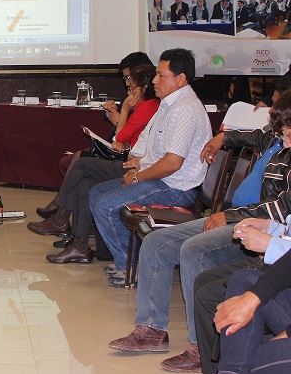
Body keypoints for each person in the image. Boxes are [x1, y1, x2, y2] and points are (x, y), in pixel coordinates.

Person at [108, 82, 291, 372]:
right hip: (238, 217)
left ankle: (198, 347)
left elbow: (282, 208)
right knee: (158, 243)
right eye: (282, 130)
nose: (283, 136)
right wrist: (221, 137)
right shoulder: (276, 140)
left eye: (287, 130)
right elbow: (254, 135)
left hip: (258, 229)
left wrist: (231, 216)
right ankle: (151, 329)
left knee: (194, 250)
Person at [89, 48, 213, 280]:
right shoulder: (170, 104)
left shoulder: (184, 109)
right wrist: (139, 163)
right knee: (97, 192)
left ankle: (130, 268)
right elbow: (157, 150)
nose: (154, 80)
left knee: (106, 205)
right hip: (161, 178)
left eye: (161, 75)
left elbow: (172, 163)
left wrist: (137, 177)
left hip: (176, 188)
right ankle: (128, 260)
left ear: (181, 78)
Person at [37, 63, 161, 263]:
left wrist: (126, 110)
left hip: (137, 167)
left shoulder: (149, 107)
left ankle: (60, 219)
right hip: (132, 158)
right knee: (85, 182)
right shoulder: (149, 106)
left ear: (143, 87)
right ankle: (79, 246)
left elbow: (119, 136)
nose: (128, 88)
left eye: (132, 84)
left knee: (81, 164)